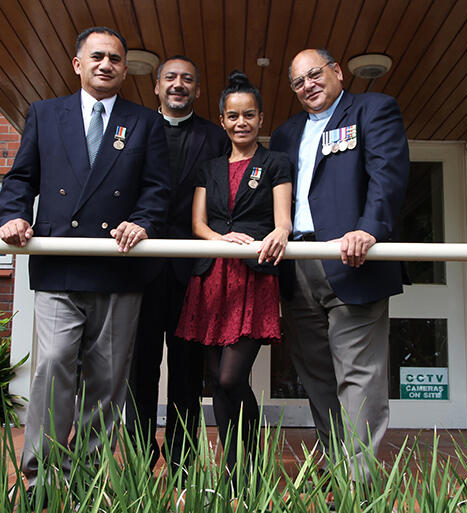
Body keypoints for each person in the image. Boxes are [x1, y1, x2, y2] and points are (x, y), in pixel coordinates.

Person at [0, 27, 170, 492]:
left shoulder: (145, 122)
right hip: (60, 262)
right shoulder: (44, 114)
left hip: (119, 266)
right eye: (97, 56)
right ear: (77, 64)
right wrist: (13, 216)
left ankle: (89, 479)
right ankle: (41, 479)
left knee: (107, 382)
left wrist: (143, 221)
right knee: (53, 363)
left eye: (115, 58)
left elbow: (158, 189)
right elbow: (21, 178)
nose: (106, 64)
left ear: (124, 68)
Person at [270, 48, 410, 480]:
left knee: (358, 378)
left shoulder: (372, 109)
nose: (308, 85)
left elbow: (388, 172)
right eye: (298, 82)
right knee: (317, 377)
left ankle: (358, 483)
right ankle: (340, 468)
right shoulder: (285, 134)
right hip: (297, 264)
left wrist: (369, 228)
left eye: (314, 74)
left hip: (352, 258)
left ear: (336, 71)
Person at [175, 70, 292, 472]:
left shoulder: (275, 163)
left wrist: (277, 234)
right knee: (218, 383)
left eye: (249, 115)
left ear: (261, 119)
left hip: (252, 278)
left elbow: (283, 222)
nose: (241, 123)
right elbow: (198, 225)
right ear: (222, 120)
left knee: (229, 378)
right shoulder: (209, 167)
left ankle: (252, 462)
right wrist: (220, 240)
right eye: (232, 116)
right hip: (210, 278)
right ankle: (235, 469)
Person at [125, 55, 227, 470]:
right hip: (141, 268)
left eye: (187, 79)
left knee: (187, 370)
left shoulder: (215, 137)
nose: (178, 85)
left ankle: (184, 459)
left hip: (193, 269)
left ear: (197, 90)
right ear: (156, 87)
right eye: (170, 78)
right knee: (140, 367)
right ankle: (138, 457)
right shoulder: (134, 129)